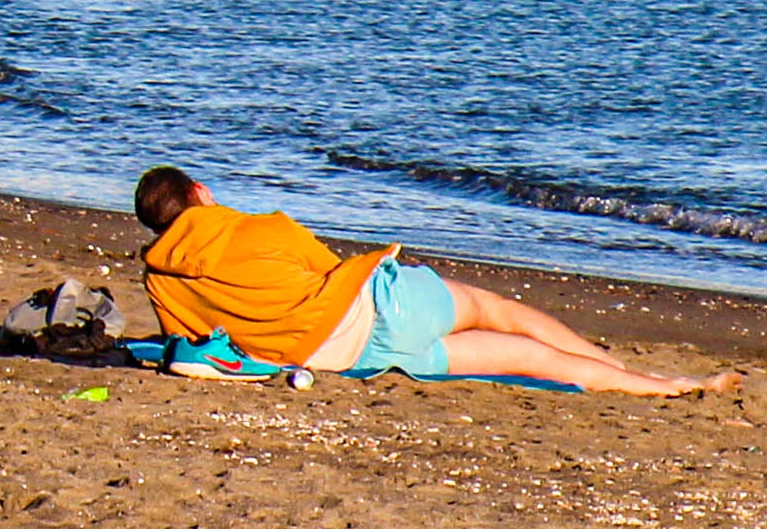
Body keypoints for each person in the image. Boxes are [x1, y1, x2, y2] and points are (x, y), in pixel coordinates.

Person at [133, 164, 728, 395]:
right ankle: (644, 377)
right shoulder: (260, 227)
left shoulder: (159, 279)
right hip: (376, 310)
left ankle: (655, 388)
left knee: (524, 360)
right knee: (499, 313)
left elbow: (198, 343)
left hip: (348, 357)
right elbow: (331, 272)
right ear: (201, 193)